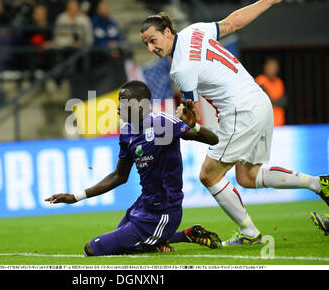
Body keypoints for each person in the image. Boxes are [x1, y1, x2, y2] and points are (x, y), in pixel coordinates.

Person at [139, 0, 329, 246]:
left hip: (239, 111)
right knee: (248, 176)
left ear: (167, 31)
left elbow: (192, 116)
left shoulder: (179, 69)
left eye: (153, 41)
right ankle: (317, 183)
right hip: (259, 101)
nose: (151, 49)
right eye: (146, 45)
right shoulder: (195, 31)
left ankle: (249, 234)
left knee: (209, 175)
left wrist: (186, 121)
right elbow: (232, 23)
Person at [45, 80, 222, 256]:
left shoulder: (163, 124)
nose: (118, 107)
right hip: (142, 206)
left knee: (91, 249)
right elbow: (119, 176)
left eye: (123, 101)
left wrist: (194, 125)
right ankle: (186, 235)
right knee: (120, 241)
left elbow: (213, 140)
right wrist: (76, 197)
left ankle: (158, 241)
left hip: (163, 212)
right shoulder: (127, 132)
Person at [255, 58, 287, 126]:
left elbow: (284, 102)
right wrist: (276, 101)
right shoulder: (260, 80)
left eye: (274, 67)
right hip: (265, 124)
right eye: (270, 67)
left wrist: (273, 101)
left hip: (279, 123)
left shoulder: (279, 82)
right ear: (265, 67)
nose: (272, 70)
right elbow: (266, 100)